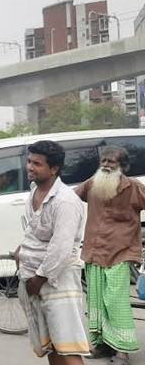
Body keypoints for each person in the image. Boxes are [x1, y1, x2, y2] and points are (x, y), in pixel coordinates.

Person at [16, 140, 89, 364]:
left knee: (68, 347)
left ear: (54, 168)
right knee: (52, 346)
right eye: (29, 161)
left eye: (37, 163)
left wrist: (39, 277)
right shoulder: (35, 190)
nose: (29, 167)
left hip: (56, 280)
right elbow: (34, 229)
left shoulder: (66, 201)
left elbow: (61, 247)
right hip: (33, 278)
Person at [74, 146, 145, 365]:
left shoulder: (134, 187)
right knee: (96, 301)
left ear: (122, 167)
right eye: (103, 161)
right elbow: (72, 198)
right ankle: (102, 345)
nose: (105, 165)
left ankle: (122, 352)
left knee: (115, 302)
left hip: (120, 252)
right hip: (94, 251)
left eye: (111, 162)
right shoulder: (92, 183)